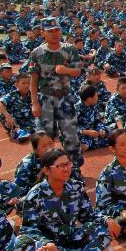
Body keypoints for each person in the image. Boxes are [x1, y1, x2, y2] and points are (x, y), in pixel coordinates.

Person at [20, 149, 119, 251]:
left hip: (72, 236)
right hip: (51, 244)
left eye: (68, 164)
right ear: (46, 170)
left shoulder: (76, 187)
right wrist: (48, 244)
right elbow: (28, 231)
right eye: (60, 166)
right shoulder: (35, 195)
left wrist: (107, 219)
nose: (66, 169)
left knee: (105, 230)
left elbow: (88, 215)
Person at [28, 18, 84, 168]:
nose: (54, 33)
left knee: (71, 135)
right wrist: (34, 103)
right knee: (45, 138)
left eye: (57, 30)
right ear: (42, 33)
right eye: (50, 31)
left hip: (65, 97)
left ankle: (74, 169)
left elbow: (78, 71)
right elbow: (33, 80)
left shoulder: (69, 49)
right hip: (46, 99)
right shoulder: (37, 53)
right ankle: (47, 169)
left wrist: (66, 70)